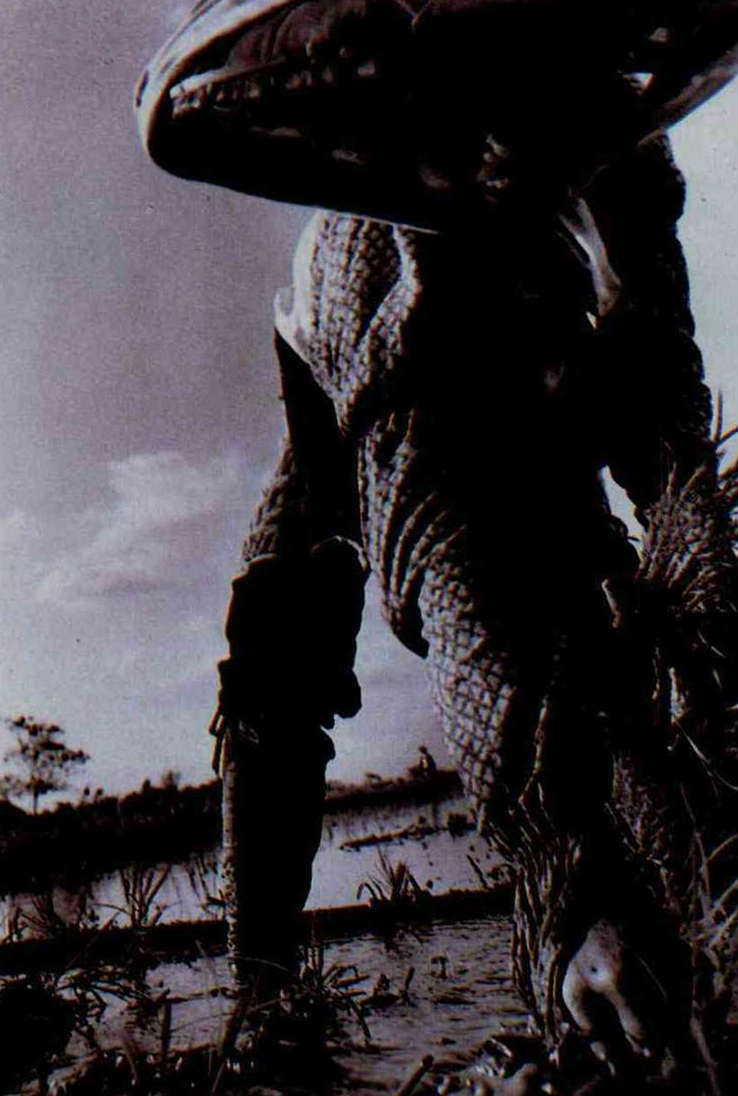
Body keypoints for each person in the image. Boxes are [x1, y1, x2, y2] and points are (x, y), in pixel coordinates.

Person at [137, 1, 738, 1087]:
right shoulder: (393, 261)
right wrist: (569, 883)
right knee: (284, 629)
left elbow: (677, 464)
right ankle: (266, 997)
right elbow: (459, 573)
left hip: (541, 341)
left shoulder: (627, 176)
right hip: (359, 356)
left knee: (613, 601)